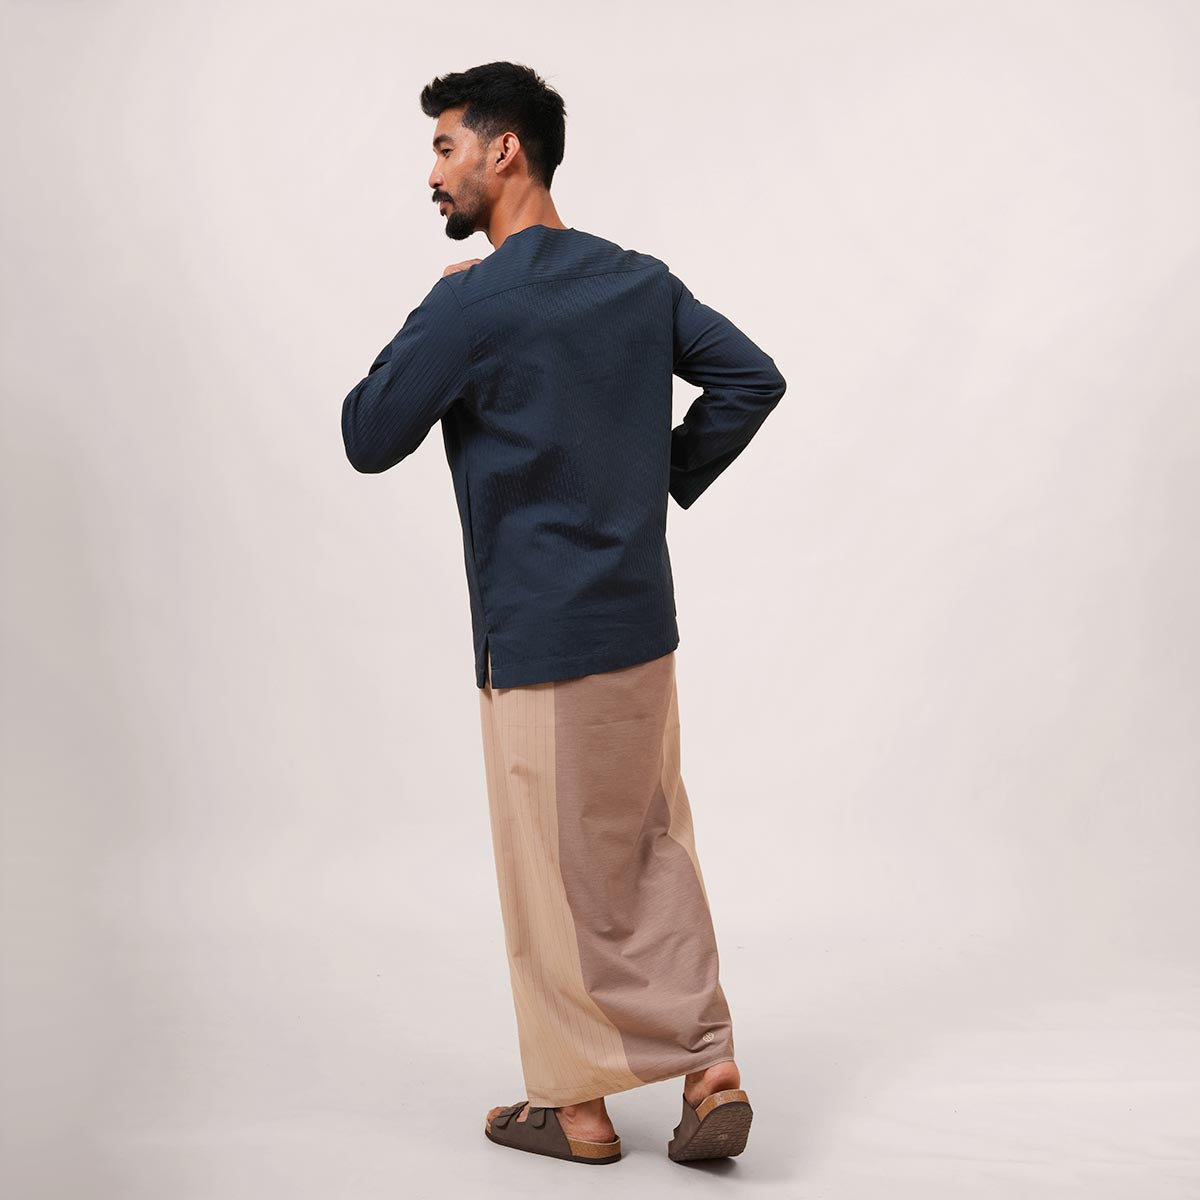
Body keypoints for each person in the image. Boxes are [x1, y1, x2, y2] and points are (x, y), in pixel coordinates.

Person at [340, 61, 785, 1166]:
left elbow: (368, 432)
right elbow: (750, 378)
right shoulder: (638, 281)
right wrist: (657, 480)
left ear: (504, 151)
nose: (432, 173)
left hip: (539, 634)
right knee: (652, 848)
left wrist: (437, 309)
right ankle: (710, 1067)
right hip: (641, 626)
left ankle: (576, 1109)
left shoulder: (473, 302)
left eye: (445, 147)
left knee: (550, 871)